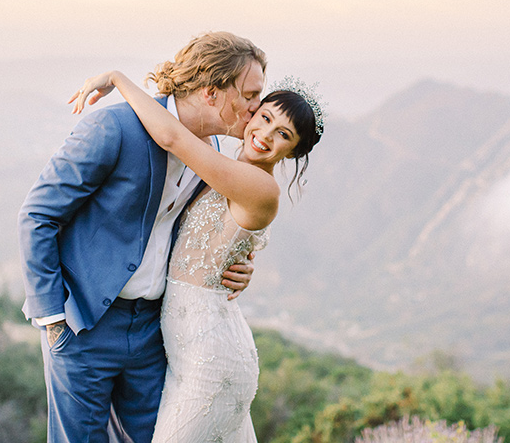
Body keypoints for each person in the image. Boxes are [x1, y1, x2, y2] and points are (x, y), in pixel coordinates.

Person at [18, 32, 267, 443]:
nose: (258, 107)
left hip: (155, 331)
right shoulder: (112, 127)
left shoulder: (217, 152)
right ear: (211, 93)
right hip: (84, 325)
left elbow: (199, 233)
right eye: (251, 94)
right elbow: (37, 216)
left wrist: (238, 264)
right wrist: (53, 319)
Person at [71, 69, 325, 443]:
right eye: (266, 118)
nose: (266, 135)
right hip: (184, 356)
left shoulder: (259, 187)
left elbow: (172, 136)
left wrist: (118, 80)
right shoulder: (228, 167)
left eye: (283, 135)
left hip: (214, 361)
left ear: (294, 150)